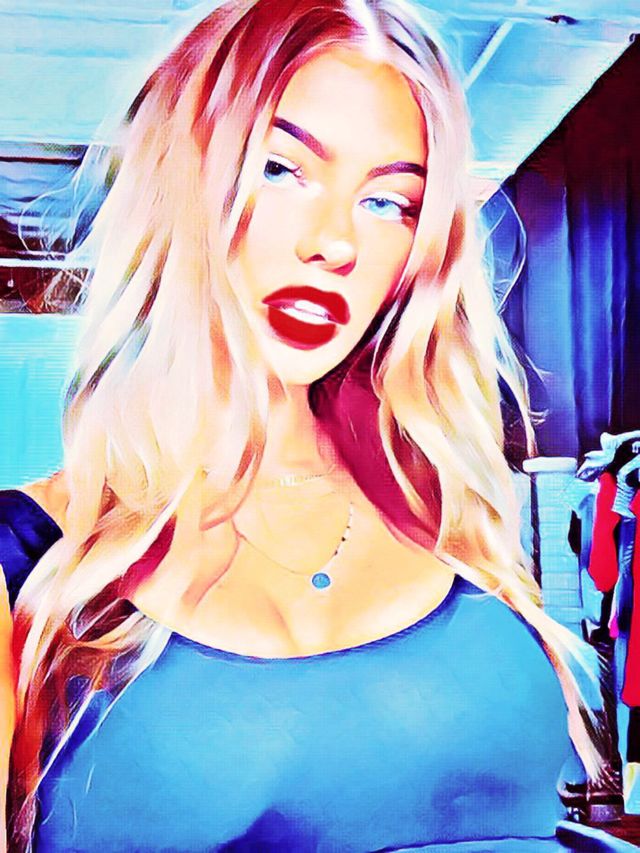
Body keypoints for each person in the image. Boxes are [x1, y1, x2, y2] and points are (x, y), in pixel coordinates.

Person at [0, 0, 633, 850]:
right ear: (180, 181)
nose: (335, 243)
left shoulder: (441, 504)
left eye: (388, 202)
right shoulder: (32, 564)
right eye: (279, 168)